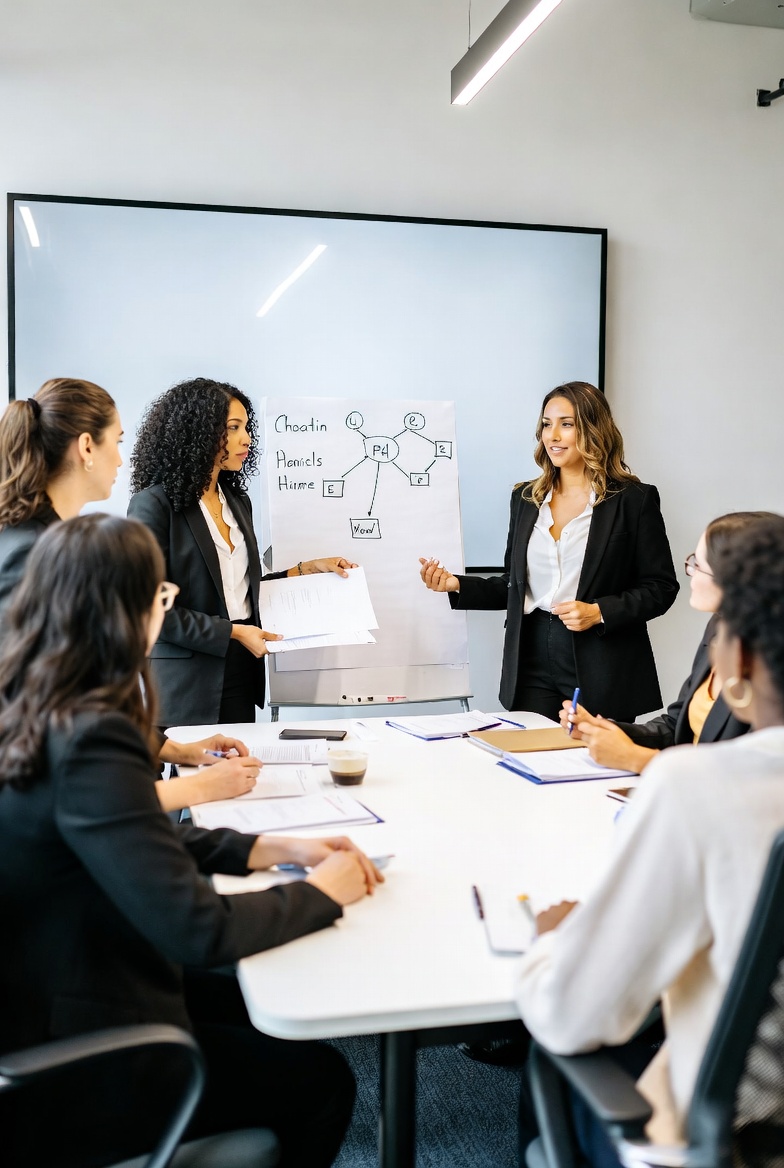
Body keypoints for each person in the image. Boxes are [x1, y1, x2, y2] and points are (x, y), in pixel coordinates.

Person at [0, 513, 382, 1167]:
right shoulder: (93, 736)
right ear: (125, 611)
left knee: (252, 1001)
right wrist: (324, 892)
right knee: (322, 1081)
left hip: (56, 984)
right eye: (162, 595)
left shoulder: (35, 704)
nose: (164, 606)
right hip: (78, 1058)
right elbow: (198, 930)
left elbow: (128, 835)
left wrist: (269, 849)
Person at [515, 515, 784, 1160]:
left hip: (736, 1137)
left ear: (740, 656)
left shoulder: (701, 788)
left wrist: (553, 946)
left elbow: (573, 1015)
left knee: (553, 1058)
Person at [0, 378, 264, 811]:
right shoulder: (35, 555)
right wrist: (194, 787)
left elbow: (89, 695)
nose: (123, 459)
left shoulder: (52, 542)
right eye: (117, 442)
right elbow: (57, 720)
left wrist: (179, 751)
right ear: (87, 447)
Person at [419, 382, 679, 721]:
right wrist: (455, 584)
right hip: (531, 657)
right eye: (546, 424)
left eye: (566, 424)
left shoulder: (633, 500)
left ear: (593, 429)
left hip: (601, 660)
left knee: (595, 767)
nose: (552, 435)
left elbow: (660, 587)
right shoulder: (526, 499)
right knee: (529, 760)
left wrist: (599, 611)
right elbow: (514, 585)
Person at [128, 378, 356, 726]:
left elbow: (234, 591)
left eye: (246, 427)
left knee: (241, 773)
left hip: (240, 669)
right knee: (198, 777)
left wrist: (301, 571)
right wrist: (233, 632)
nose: (246, 438)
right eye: (233, 428)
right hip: (186, 683)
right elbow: (151, 610)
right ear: (198, 433)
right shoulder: (154, 505)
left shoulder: (237, 501)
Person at [560, 511, 777, 773]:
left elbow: (754, 773)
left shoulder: (772, 663)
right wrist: (607, 730)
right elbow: (676, 726)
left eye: (698, 564)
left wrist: (634, 758)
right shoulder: (719, 628)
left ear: (732, 580)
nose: (690, 574)